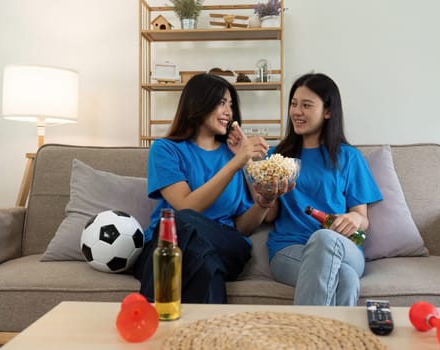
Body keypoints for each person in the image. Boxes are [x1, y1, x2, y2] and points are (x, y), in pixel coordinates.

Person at [134, 73, 284, 304]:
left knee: (180, 223)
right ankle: (211, 337)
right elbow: (187, 205)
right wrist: (237, 162)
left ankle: (147, 319)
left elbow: (243, 227)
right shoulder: (165, 150)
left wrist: (260, 193)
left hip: (227, 247)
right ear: (198, 103)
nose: (228, 112)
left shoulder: (234, 155)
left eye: (231, 105)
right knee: (202, 259)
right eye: (221, 103)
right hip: (170, 245)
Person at [263, 73, 383, 306]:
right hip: (289, 249)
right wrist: (265, 194)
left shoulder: (349, 157)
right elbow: (269, 215)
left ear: (328, 112)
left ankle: (307, 339)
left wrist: (353, 219)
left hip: (342, 246)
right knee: (346, 280)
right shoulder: (276, 157)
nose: (296, 111)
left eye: (306, 105)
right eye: (294, 104)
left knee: (324, 238)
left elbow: (362, 218)